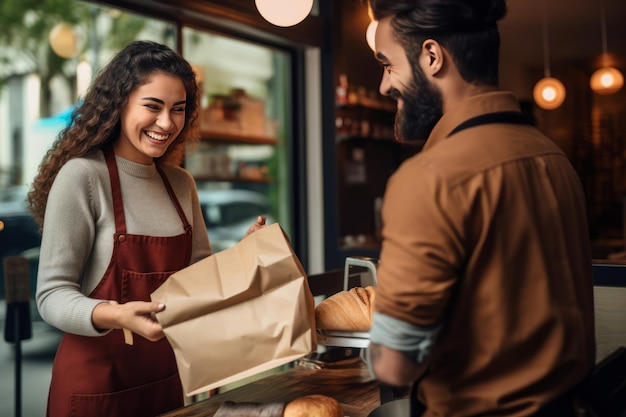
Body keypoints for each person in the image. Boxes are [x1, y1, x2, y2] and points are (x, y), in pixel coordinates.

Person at [365, 1, 596, 416]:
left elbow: (393, 366)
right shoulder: (554, 158)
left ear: (432, 57)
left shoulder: (430, 179)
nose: (384, 86)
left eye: (387, 64)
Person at [28, 40, 265, 417]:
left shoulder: (181, 183)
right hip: (95, 392)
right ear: (119, 104)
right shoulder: (83, 177)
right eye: (152, 106)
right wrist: (115, 315)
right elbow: (51, 296)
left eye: (178, 110)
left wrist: (242, 255)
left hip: (165, 384)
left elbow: (198, 281)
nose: (167, 123)